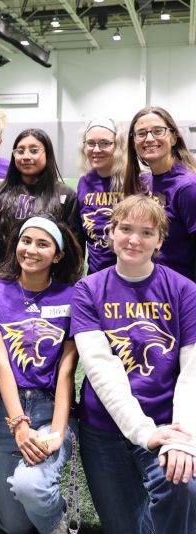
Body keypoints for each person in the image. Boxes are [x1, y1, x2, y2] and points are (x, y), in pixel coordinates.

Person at [72, 195, 196, 533]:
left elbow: (192, 371)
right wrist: (144, 433)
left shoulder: (184, 290)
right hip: (105, 428)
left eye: (146, 232)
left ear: (160, 240)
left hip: (168, 422)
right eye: (125, 229)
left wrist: (181, 438)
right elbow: (100, 370)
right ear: (111, 232)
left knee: (185, 490)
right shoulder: (88, 290)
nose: (133, 239)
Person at [0, 215, 83, 534]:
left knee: (30, 488)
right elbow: (0, 362)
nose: (31, 250)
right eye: (26, 241)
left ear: (58, 254)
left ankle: (56, 523)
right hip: (4, 411)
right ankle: (48, 503)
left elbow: (67, 371)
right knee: (13, 527)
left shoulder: (73, 296)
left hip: (52, 408)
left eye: (42, 244)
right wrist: (19, 425)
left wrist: (56, 432)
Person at [0, 128, 76, 284]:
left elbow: (73, 251)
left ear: (47, 154)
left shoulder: (65, 196)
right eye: (20, 151)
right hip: (0, 286)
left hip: (48, 288)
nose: (26, 156)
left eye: (34, 151)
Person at [123, 106, 196, 281]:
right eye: (141, 133)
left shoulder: (188, 187)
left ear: (173, 137)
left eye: (158, 131)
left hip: (181, 292)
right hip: (151, 287)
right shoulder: (143, 183)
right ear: (133, 142)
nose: (149, 138)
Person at [69, 117, 126, 274]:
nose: (96, 149)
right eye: (91, 143)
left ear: (118, 146)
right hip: (96, 276)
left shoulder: (134, 181)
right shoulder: (84, 183)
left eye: (104, 143)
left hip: (130, 275)